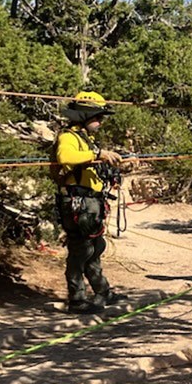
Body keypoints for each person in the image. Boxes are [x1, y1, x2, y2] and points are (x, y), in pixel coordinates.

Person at [54, 92, 125, 314]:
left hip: (90, 201)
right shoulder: (68, 137)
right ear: (84, 115)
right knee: (81, 250)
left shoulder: (86, 139)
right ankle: (77, 299)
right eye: (98, 116)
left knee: (95, 247)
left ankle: (102, 290)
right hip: (77, 201)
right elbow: (65, 157)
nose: (101, 121)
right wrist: (99, 153)